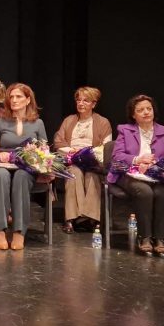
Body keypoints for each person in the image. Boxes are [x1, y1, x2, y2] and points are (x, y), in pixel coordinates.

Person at [108, 94, 164, 257]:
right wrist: (138, 160)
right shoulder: (125, 130)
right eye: (140, 110)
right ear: (133, 114)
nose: (146, 112)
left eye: (149, 109)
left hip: (156, 175)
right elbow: (117, 156)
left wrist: (154, 164)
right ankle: (144, 236)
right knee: (144, 192)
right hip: (129, 174)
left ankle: (160, 238)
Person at [0, 83, 47, 251]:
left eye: (19, 96)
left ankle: (19, 232)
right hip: (2, 164)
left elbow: (44, 152)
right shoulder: (0, 122)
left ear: (28, 100)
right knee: (1, 175)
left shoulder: (38, 123)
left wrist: (33, 157)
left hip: (26, 167)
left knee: (21, 176)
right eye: (11, 97)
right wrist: (0, 155)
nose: (14, 100)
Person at [53, 86, 112, 234]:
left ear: (94, 104)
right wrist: (72, 152)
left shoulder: (103, 122)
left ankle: (90, 218)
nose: (81, 103)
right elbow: (58, 142)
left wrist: (90, 154)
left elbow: (107, 146)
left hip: (93, 161)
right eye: (78, 100)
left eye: (86, 101)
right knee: (74, 174)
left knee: (92, 176)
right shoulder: (69, 120)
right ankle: (71, 218)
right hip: (72, 159)